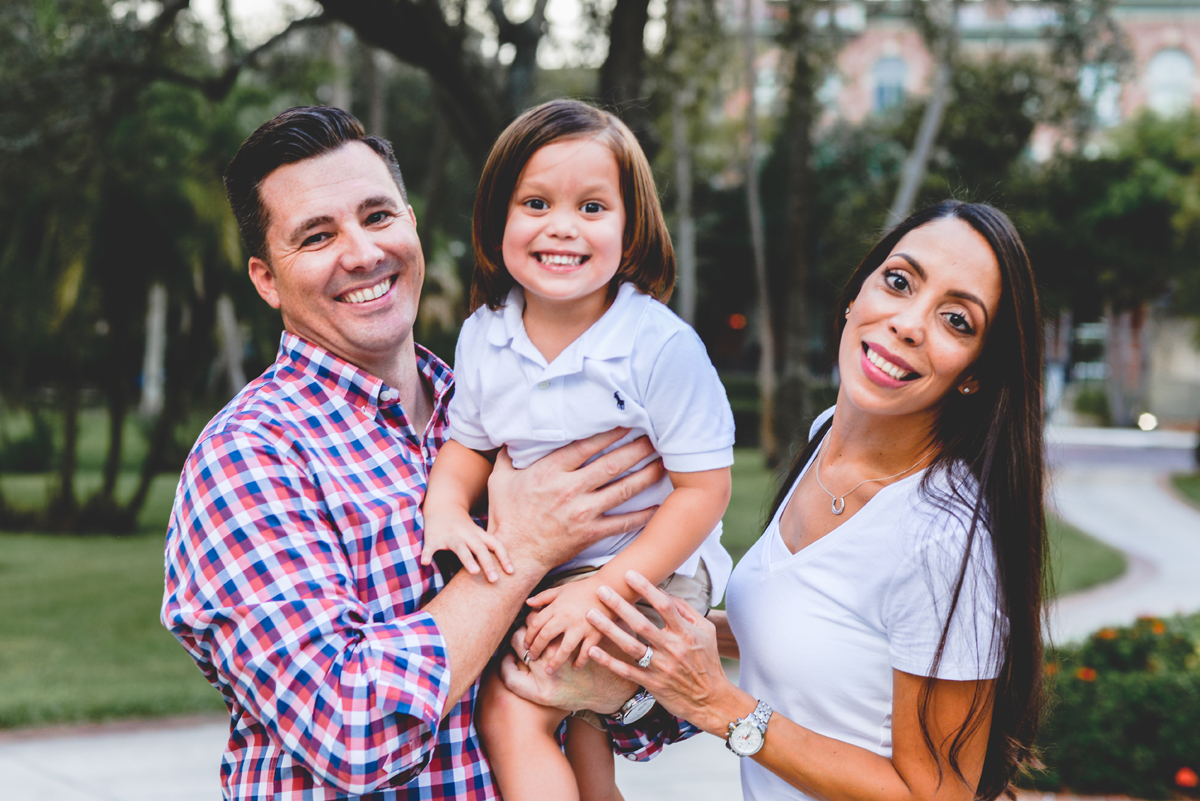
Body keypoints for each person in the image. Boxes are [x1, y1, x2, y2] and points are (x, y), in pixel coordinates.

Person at [161, 106, 690, 801]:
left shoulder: (510, 412)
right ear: (266, 278)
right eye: (317, 236)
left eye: (377, 216)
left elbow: (645, 720)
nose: (361, 252)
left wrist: (619, 686)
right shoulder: (251, 457)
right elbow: (351, 731)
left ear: (410, 222)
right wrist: (523, 550)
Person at [579, 200, 1048, 801]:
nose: (908, 323)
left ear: (975, 373)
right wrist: (648, 632)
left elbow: (939, 795)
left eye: (957, 320)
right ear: (857, 295)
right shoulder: (826, 438)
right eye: (899, 282)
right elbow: (816, 639)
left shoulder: (943, 538)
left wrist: (719, 705)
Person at [420, 99, 735, 801]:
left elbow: (703, 491)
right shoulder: (483, 337)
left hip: (650, 582)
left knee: (512, 710)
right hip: (554, 580)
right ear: (498, 218)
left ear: (630, 233)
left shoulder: (658, 346)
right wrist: (445, 511)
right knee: (580, 736)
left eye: (592, 208)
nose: (561, 226)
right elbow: (468, 447)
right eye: (536, 202)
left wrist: (604, 589)